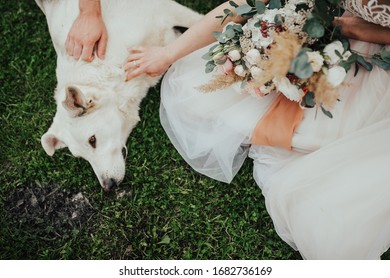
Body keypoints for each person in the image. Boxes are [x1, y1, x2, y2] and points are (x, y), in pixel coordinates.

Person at [124, 0, 390, 259]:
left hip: (374, 56)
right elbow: (244, 2)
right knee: (194, 94)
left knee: (322, 163)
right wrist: (168, 53)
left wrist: (358, 30)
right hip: (327, 24)